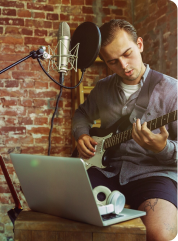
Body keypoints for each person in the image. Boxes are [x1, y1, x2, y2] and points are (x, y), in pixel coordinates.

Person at [72, 19, 178, 241]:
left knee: (161, 234)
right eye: (113, 62)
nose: (124, 66)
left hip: (154, 173)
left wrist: (163, 148)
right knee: (67, 214)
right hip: (106, 169)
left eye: (127, 54)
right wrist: (81, 134)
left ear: (139, 44)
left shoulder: (173, 91)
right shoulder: (102, 88)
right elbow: (82, 114)